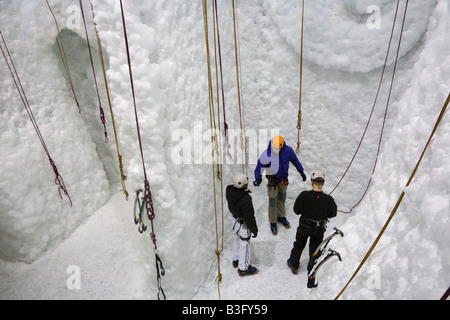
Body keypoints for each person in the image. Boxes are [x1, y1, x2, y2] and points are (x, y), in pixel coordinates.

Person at [253, 136, 307, 235]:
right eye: (274, 148)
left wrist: (301, 171)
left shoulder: (288, 151)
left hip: (283, 181)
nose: (275, 150)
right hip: (272, 182)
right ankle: (273, 222)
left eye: (277, 148)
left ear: (282, 146)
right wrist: (258, 178)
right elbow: (259, 167)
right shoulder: (267, 154)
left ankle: (281, 216)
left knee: (282, 200)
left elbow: (295, 160)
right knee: (273, 203)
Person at [287, 171, 337, 274]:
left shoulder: (304, 195)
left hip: (304, 226)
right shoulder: (328, 199)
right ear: (323, 183)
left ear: (311, 181)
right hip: (319, 229)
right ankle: (312, 267)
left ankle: (294, 264)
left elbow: (296, 211)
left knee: (299, 244)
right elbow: (333, 213)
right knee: (315, 248)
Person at [226, 173, 259, 276]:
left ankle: (236, 259)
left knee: (237, 239)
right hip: (242, 224)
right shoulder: (246, 199)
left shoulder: (229, 190)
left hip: (234, 220)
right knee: (245, 244)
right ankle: (243, 268)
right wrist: (254, 229)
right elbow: (249, 217)